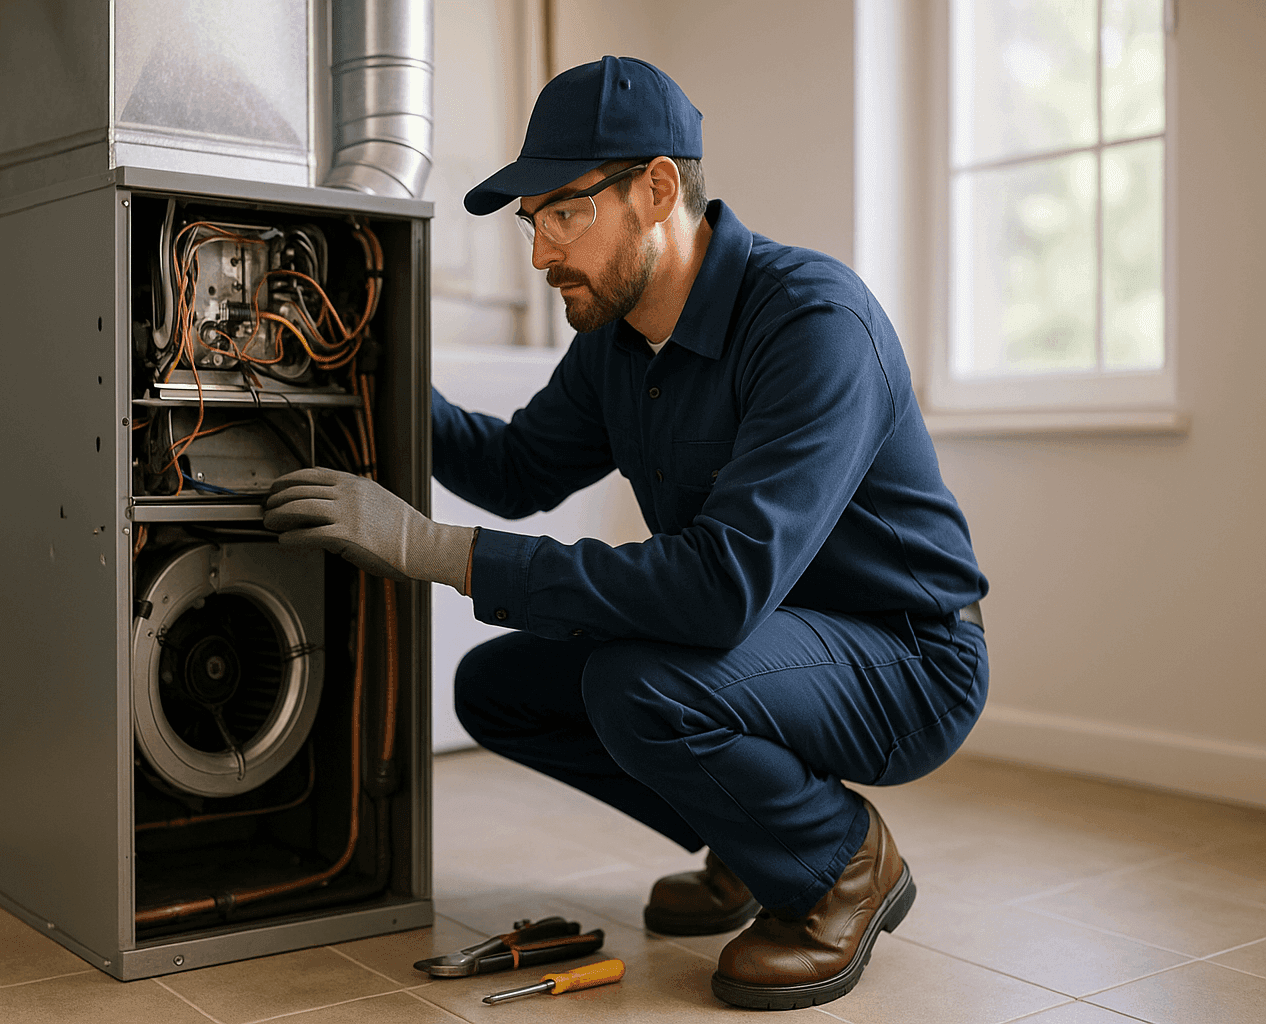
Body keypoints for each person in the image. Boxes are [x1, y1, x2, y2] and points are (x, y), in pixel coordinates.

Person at [264, 55, 989, 1011]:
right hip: (760, 645)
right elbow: (519, 471)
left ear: (654, 189)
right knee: (501, 688)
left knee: (639, 683)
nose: (539, 253)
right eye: (534, 223)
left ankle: (837, 864)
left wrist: (427, 549)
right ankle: (755, 837)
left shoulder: (812, 321)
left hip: (904, 659)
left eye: (563, 213)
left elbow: (718, 586)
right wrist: (376, 370)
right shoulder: (616, 342)